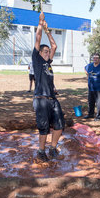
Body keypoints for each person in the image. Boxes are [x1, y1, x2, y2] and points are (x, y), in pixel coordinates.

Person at [32, 12, 65, 162]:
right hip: (41, 99)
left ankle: (52, 148)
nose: (47, 53)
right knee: (44, 128)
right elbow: (38, 40)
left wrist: (47, 31)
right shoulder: (37, 60)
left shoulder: (48, 64)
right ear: (39, 53)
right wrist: (40, 23)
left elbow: (54, 45)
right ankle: (41, 151)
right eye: (45, 51)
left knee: (59, 125)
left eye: (48, 52)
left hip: (52, 99)